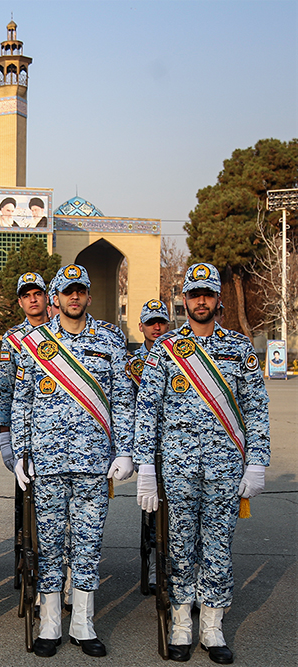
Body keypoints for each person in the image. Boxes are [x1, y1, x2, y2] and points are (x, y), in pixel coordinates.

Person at [134, 263, 270, 664]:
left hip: (225, 466)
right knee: (178, 546)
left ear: (217, 301)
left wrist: (257, 461)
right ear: (185, 301)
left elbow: (256, 408)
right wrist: (145, 466)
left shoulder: (240, 349)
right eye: (195, 295)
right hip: (178, 468)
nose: (201, 301)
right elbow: (148, 410)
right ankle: (180, 624)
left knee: (217, 548)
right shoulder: (166, 350)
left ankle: (212, 627)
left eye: (208, 294)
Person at [11, 264, 134, 658]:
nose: (74, 297)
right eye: (67, 292)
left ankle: (82, 624)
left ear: (88, 296)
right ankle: (50, 624)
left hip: (94, 462)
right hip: (46, 462)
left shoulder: (111, 340)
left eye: (80, 291)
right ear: (56, 299)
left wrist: (125, 450)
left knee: (88, 544)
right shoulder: (35, 343)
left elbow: (122, 401)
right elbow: (22, 402)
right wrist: (20, 453)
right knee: (47, 545)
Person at [0, 272, 50, 587]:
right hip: (24, 432)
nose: (33, 298)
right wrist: (5, 437)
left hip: (56, 434)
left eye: (37, 293)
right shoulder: (12, 340)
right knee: (25, 501)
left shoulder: (60, 335)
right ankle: (23, 555)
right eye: (26, 294)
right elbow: (5, 389)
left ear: (47, 297)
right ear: (20, 302)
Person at [126, 299, 171, 594]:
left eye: (162, 322)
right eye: (151, 322)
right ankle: (154, 564)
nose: (157, 327)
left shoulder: (180, 357)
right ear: (140, 327)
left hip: (174, 444)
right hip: (146, 444)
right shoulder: (133, 365)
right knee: (153, 513)